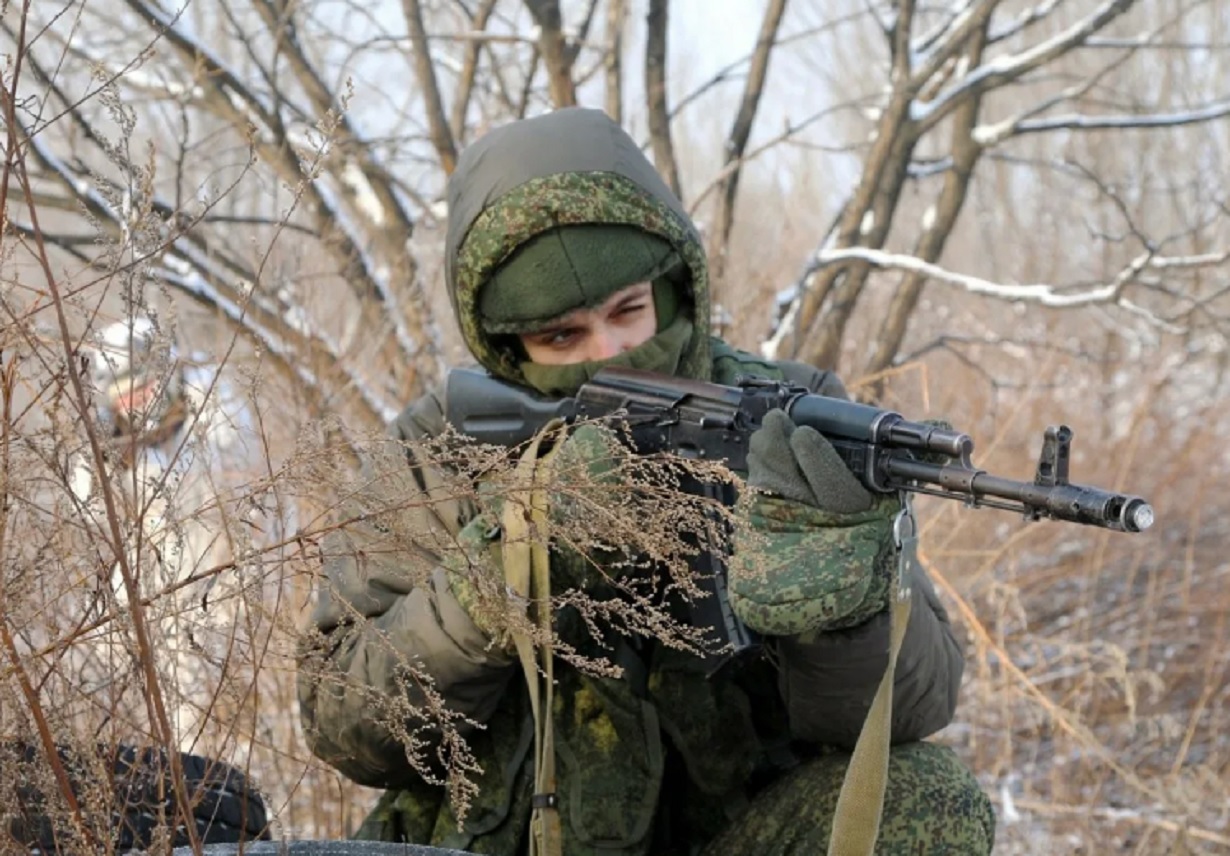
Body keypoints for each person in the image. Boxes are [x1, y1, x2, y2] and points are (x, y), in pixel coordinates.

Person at [297, 107, 995, 854]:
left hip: (738, 833)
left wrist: (843, 606)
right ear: (505, 347)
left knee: (927, 800)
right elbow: (347, 730)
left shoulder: (791, 418)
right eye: (562, 337)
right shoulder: (440, 453)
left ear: (675, 288)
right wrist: (507, 565)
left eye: (630, 311)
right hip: (511, 840)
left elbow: (917, 704)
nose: (613, 352)